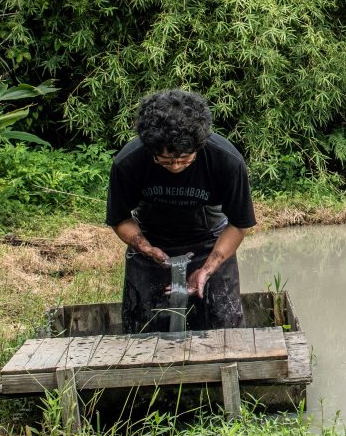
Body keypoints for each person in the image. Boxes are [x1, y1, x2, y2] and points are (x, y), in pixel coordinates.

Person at [106, 89, 257, 333]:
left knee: (223, 327)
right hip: (150, 245)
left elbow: (239, 224)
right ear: (150, 149)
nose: (175, 166)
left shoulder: (226, 160)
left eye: (185, 159)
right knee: (144, 327)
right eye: (165, 161)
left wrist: (207, 269)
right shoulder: (128, 162)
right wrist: (146, 248)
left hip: (210, 242)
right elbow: (119, 218)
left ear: (199, 145)